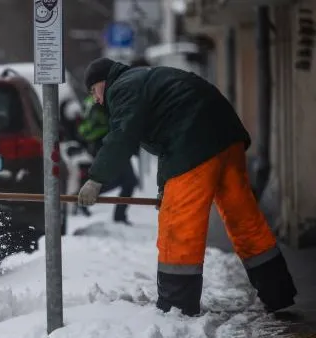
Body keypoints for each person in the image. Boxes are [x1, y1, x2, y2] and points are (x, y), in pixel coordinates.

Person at [77, 57, 297, 316]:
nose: (97, 100)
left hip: (196, 143)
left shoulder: (123, 87)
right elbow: (168, 146)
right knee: (244, 218)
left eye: (93, 91)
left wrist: (96, 179)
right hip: (227, 138)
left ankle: (176, 307)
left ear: (103, 81)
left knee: (178, 225)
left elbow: (122, 137)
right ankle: (278, 292)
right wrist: (164, 189)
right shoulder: (146, 79)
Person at [77, 94, 138, 224]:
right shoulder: (100, 100)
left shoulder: (92, 99)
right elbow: (111, 123)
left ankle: (84, 197)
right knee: (128, 180)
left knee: (125, 180)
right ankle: (84, 197)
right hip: (108, 145)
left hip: (107, 144)